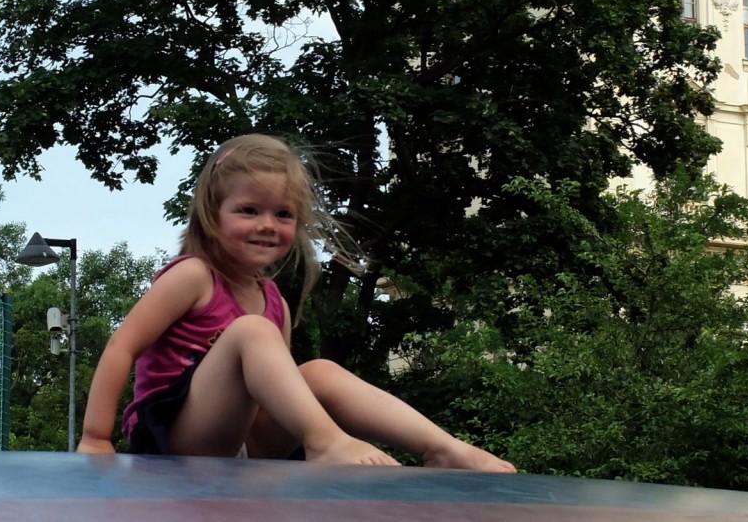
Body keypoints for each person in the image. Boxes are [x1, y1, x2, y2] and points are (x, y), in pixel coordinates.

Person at [78, 133, 515, 470]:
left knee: (318, 371)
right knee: (252, 331)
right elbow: (123, 346)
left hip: (244, 446)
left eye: (283, 214)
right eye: (249, 210)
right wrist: (97, 437)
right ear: (213, 215)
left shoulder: (274, 301)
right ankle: (324, 440)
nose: (267, 225)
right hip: (173, 439)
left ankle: (442, 447)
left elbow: (272, 390)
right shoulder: (193, 275)